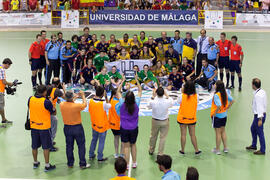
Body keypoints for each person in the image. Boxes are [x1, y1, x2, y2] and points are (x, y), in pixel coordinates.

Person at [115, 76, 142, 168]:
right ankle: (134, 162)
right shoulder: (137, 103)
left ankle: (126, 164)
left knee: (126, 147)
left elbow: (118, 91)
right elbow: (140, 90)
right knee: (133, 145)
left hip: (124, 128)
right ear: (133, 98)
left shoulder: (122, 103)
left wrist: (122, 80)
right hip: (134, 128)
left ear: (125, 98)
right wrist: (137, 80)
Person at [60, 90, 90, 169]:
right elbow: (85, 104)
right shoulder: (77, 106)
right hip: (77, 128)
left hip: (67, 128)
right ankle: (82, 164)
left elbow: (69, 103)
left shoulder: (62, 104)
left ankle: (70, 163)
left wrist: (74, 98)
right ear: (72, 97)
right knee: (81, 146)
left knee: (69, 146)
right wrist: (83, 96)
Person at [28, 85, 56, 172]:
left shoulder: (30, 99)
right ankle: (47, 165)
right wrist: (51, 103)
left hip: (34, 126)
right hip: (44, 127)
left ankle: (35, 162)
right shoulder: (46, 102)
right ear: (44, 92)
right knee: (46, 147)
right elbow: (54, 113)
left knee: (34, 146)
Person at [177, 81, 201, 155]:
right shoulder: (196, 96)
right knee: (193, 135)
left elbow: (178, 102)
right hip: (192, 118)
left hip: (182, 118)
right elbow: (197, 102)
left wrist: (182, 92)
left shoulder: (182, 96)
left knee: (183, 135)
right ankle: (196, 150)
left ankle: (182, 150)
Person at [148, 87, 174, 156]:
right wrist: (167, 95)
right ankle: (160, 153)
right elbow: (172, 102)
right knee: (163, 138)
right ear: (163, 93)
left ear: (156, 93)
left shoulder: (153, 101)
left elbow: (148, 106)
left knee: (153, 136)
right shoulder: (167, 101)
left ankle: (151, 150)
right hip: (165, 121)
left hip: (155, 121)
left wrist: (152, 96)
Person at [210, 80, 234, 155]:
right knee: (223, 131)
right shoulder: (225, 93)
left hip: (217, 116)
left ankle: (217, 149)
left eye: (215, 84)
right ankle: (225, 148)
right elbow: (232, 101)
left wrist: (215, 113)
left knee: (218, 133)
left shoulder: (216, 95)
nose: (214, 85)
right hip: (224, 115)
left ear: (217, 86)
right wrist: (227, 108)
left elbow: (219, 105)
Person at [89, 86, 111, 162]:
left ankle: (91, 154)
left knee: (94, 139)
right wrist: (106, 97)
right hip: (102, 125)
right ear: (102, 94)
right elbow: (109, 106)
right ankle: (100, 157)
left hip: (94, 124)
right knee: (101, 141)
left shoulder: (90, 101)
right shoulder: (103, 103)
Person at [246, 78, 267, 155]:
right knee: (253, 129)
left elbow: (260, 107)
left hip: (259, 116)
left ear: (254, 85)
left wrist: (260, 119)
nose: (251, 85)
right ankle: (254, 145)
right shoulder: (262, 91)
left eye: (252, 83)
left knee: (260, 132)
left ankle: (262, 150)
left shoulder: (258, 95)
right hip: (259, 115)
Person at [47, 77, 65, 152]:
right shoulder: (57, 90)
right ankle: (50, 144)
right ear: (58, 84)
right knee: (54, 127)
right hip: (51, 112)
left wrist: (56, 99)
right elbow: (66, 97)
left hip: (45, 111)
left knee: (48, 127)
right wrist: (64, 88)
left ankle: (48, 141)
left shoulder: (47, 87)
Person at [109, 88, 123, 158]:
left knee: (116, 138)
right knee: (122, 139)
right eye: (119, 93)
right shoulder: (119, 103)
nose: (120, 94)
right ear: (115, 95)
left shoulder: (111, 100)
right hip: (119, 124)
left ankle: (116, 153)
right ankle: (121, 154)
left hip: (112, 124)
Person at [0, 58, 13, 127]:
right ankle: (3, 119)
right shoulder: (2, 70)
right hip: (0, 91)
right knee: (1, 107)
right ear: (7, 64)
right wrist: (10, 84)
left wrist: (5, 87)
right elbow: (4, 82)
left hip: (1, 89)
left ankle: (4, 119)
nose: (9, 67)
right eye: (9, 65)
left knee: (1, 107)